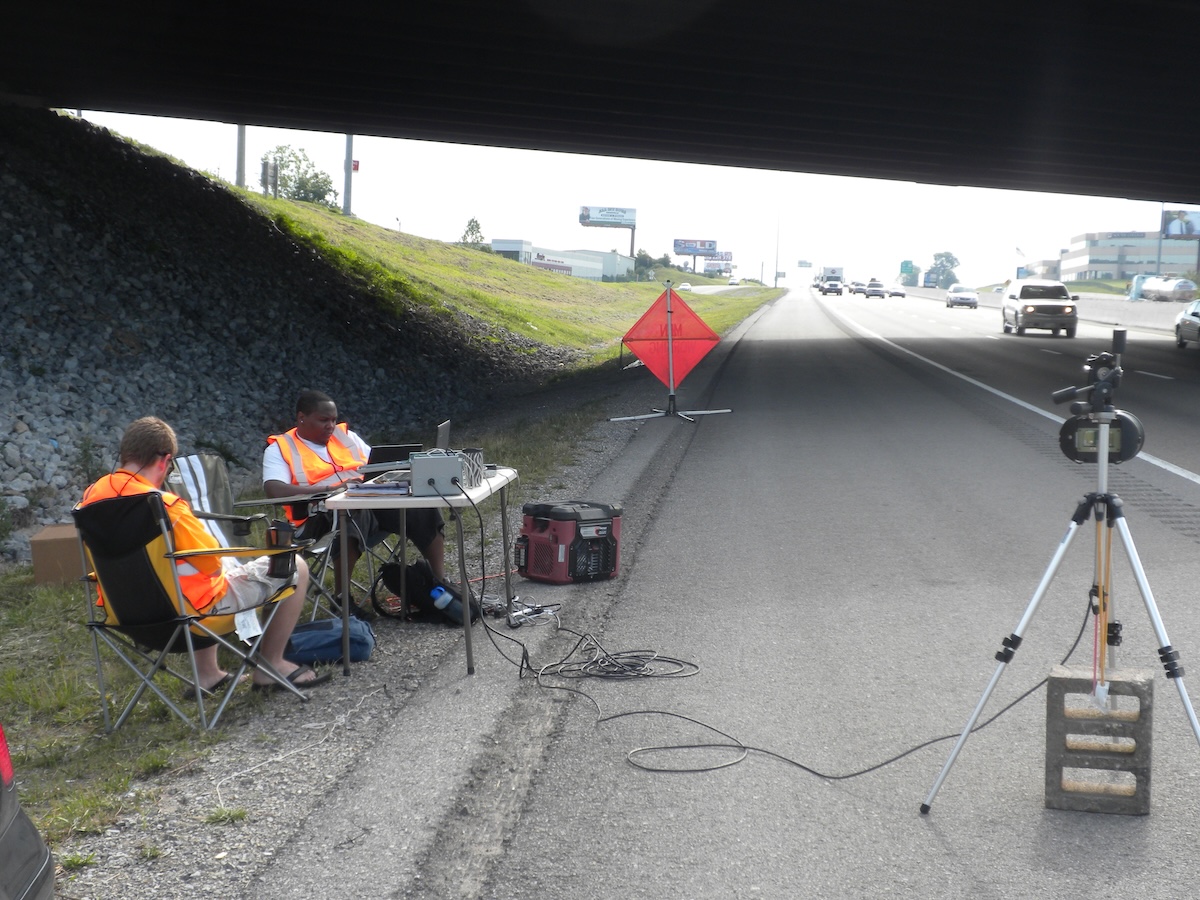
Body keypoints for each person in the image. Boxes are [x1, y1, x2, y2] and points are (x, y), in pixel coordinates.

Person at [78, 417, 330, 694]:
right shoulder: (165, 506)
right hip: (191, 621)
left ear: (125, 454)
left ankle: (208, 675)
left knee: (186, 581)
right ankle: (271, 667)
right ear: (164, 460)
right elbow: (211, 564)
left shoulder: (89, 500)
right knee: (297, 566)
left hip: (127, 619)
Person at [262, 390, 447, 613]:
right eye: (323, 420)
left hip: (369, 505)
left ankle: (440, 584)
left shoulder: (346, 437)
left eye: (333, 419)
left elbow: (377, 468)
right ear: (302, 418)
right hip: (317, 519)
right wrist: (330, 489)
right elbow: (274, 490)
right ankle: (342, 600)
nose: (331, 425)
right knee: (350, 511)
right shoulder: (280, 448)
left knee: (421, 507)